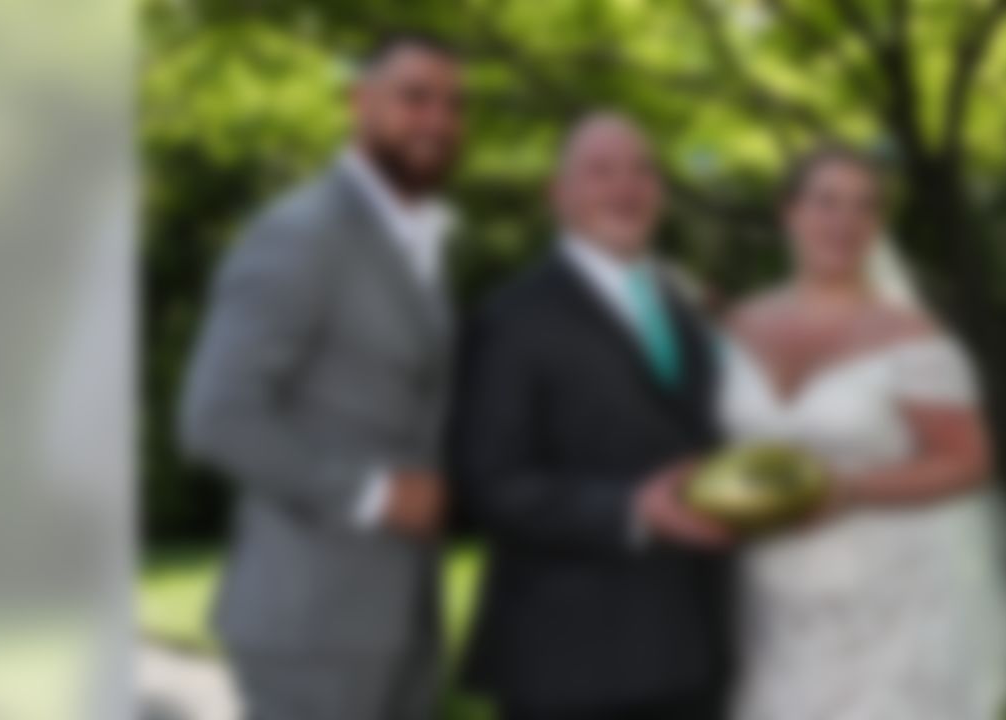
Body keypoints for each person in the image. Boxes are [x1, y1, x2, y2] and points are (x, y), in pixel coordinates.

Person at [179, 32, 464, 720]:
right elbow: (216, 417)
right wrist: (373, 495)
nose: (437, 120)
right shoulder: (299, 234)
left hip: (403, 624)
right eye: (414, 97)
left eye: (455, 105)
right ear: (358, 102)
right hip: (311, 632)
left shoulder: (419, 240)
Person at [722, 145, 1006, 720]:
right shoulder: (737, 327)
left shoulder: (914, 339)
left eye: (864, 208)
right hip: (764, 600)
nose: (844, 223)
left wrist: (846, 489)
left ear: (879, 225)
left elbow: (969, 461)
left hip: (885, 605)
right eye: (826, 203)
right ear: (787, 212)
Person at [451, 113, 733, 720]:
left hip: (696, 655)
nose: (626, 188)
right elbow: (492, 486)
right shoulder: (513, 318)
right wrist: (633, 509)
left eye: (642, 170)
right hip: (573, 670)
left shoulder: (684, 305)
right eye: (601, 171)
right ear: (559, 195)